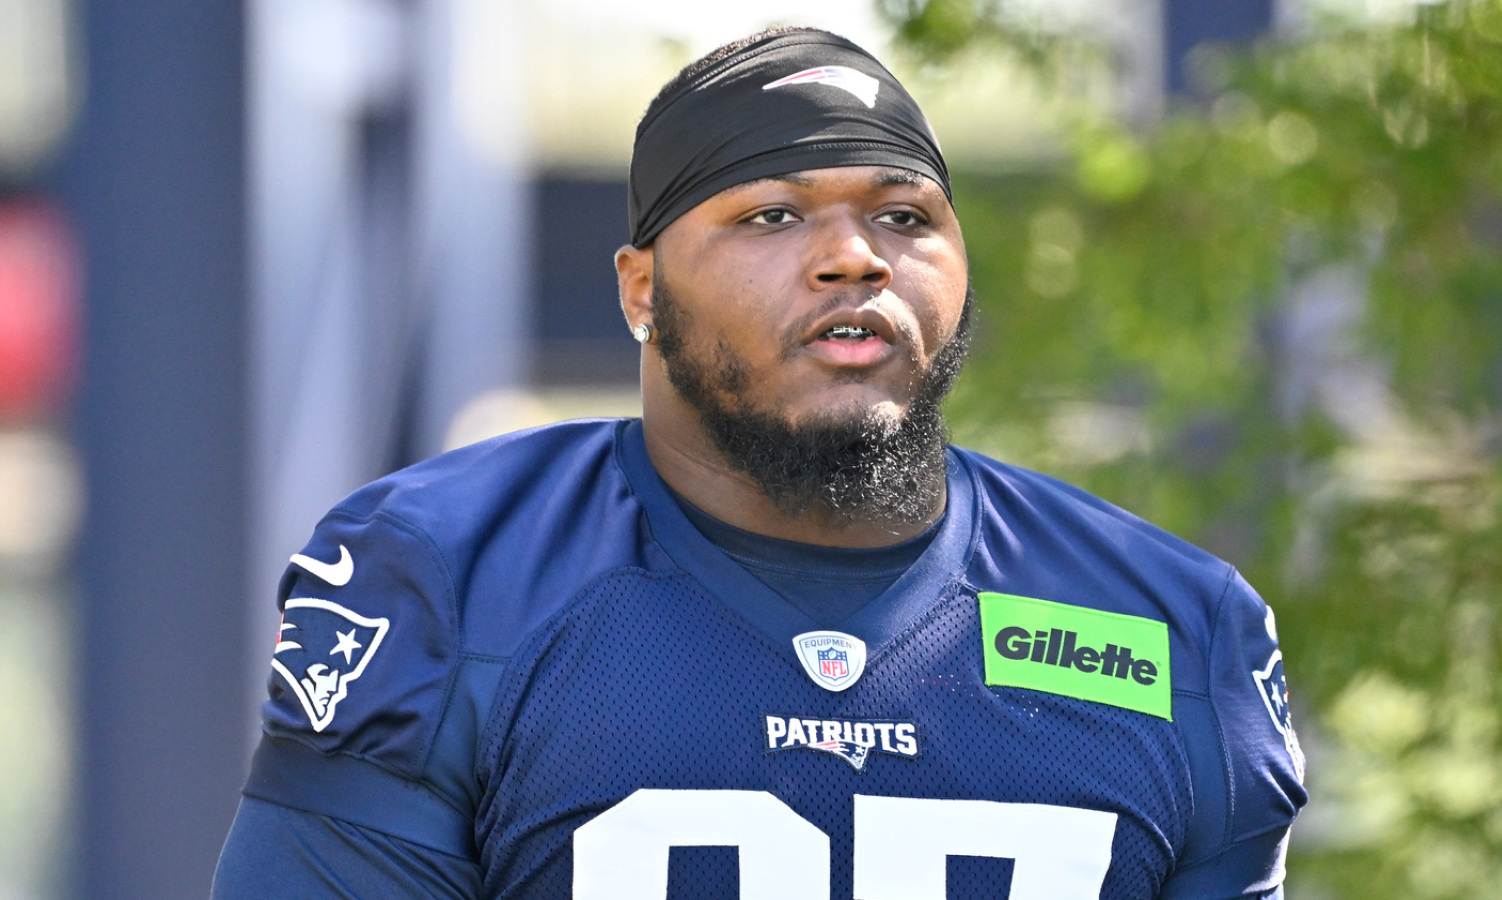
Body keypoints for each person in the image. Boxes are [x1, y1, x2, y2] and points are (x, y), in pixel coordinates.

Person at [212, 27, 1306, 899]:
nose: (853, 257)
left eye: (903, 214)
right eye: (772, 214)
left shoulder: (1173, 629)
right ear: (642, 288)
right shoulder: (454, 573)